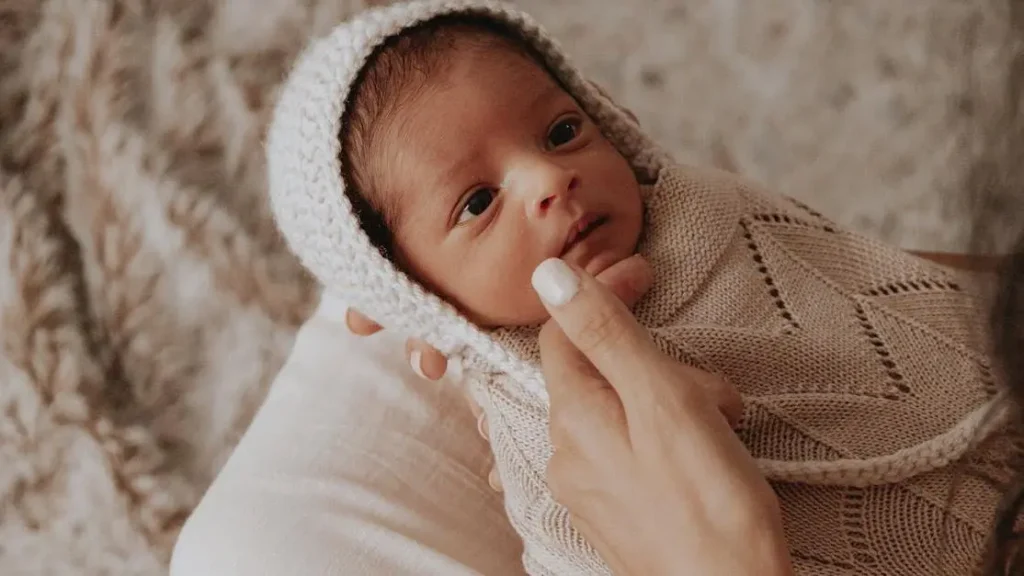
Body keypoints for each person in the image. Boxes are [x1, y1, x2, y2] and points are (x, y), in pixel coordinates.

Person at [265, 1, 1004, 572]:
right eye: (478, 202)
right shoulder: (538, 433)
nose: (552, 178)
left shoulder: (711, 209)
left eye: (560, 132)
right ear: (414, 296)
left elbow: (865, 277)